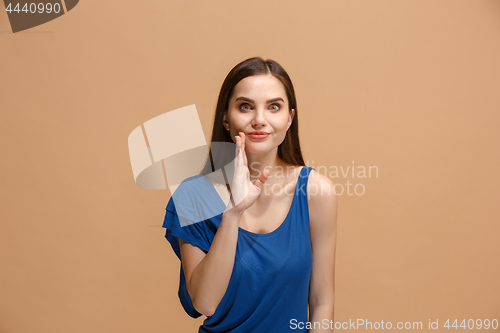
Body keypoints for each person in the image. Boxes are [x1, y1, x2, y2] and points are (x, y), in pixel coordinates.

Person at [162, 57, 337, 332]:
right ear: (226, 118)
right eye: (245, 106)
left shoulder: (316, 191)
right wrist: (232, 213)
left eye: (274, 107)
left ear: (289, 118)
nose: (259, 120)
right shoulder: (193, 196)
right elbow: (205, 303)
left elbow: (322, 302)